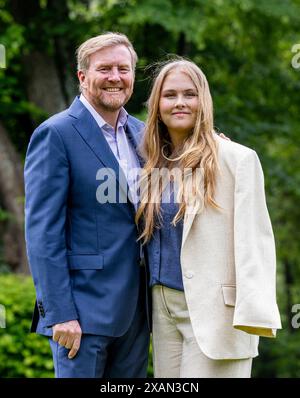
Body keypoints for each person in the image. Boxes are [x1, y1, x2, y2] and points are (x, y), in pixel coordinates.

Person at [135, 58, 282, 378]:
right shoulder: (151, 164)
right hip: (162, 312)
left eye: (189, 94)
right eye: (169, 95)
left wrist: (255, 313)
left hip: (215, 312)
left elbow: (254, 240)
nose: (179, 102)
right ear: (157, 104)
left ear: (203, 101)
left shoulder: (236, 159)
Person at [24, 32, 150, 378]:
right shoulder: (56, 134)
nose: (115, 77)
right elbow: (42, 234)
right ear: (82, 76)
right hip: (82, 315)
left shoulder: (142, 135)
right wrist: (59, 313)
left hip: (138, 315)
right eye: (104, 68)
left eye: (123, 69)